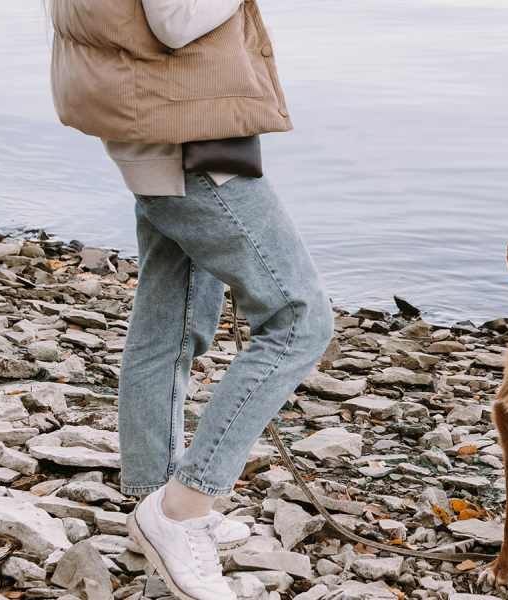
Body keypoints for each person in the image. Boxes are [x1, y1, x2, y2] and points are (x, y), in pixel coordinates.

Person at [47, 1, 334, 598]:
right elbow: (176, 19)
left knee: (168, 326)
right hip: (189, 144)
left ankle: (149, 506)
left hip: (150, 135)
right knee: (299, 320)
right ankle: (181, 509)